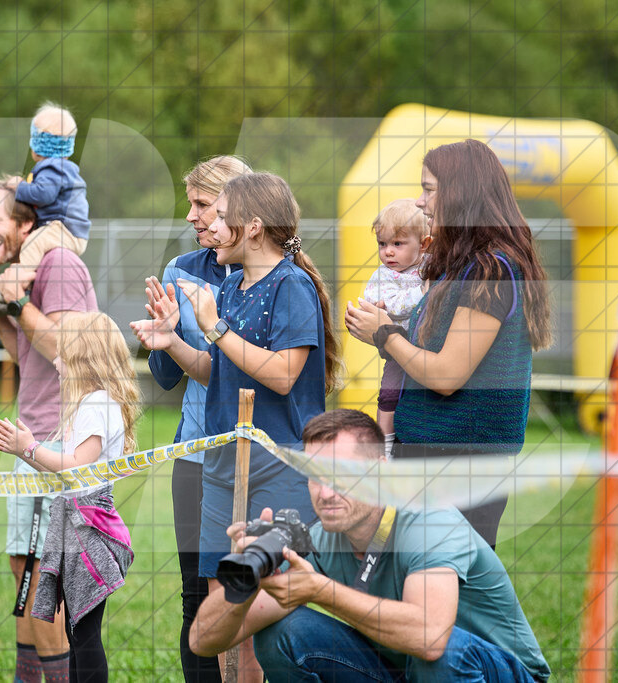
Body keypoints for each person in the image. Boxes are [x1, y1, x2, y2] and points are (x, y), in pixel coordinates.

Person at [133, 172, 341, 678]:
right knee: (222, 618)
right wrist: (174, 343)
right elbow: (218, 370)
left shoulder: (290, 285)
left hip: (278, 468)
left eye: (219, 216)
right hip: (222, 470)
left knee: (261, 618)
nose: (206, 225)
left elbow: (285, 375)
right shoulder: (230, 286)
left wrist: (214, 329)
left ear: (250, 228)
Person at [189, 409, 552, 682]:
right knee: (283, 634)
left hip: (501, 673)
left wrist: (320, 590)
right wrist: (244, 578)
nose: (326, 493)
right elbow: (203, 640)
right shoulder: (323, 538)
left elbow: (430, 637)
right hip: (410, 669)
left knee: (441, 653)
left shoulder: (430, 519)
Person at [346, 139, 553, 548]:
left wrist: (385, 334)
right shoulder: (460, 267)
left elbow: (446, 375)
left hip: (459, 464)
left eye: (429, 189)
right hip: (433, 457)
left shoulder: (490, 270)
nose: (421, 203)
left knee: (445, 597)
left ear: (460, 193)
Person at [0, 176, 99, 681]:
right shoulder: (26, 270)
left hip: (58, 439)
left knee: (42, 584)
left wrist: (19, 304)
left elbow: (66, 351)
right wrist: (8, 314)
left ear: (27, 223)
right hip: (32, 436)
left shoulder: (59, 264)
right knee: (24, 573)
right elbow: (29, 358)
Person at [131, 154, 250, 682]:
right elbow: (165, 377)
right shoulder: (181, 269)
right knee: (196, 598)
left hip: (254, 457)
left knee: (251, 597)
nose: (192, 216)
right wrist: (166, 332)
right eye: (191, 205)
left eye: (203, 205)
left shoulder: (270, 274)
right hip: (195, 457)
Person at [0, 311, 139, 683]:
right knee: (76, 630)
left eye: (63, 354)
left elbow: (77, 467)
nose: (56, 362)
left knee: (83, 635)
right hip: (78, 525)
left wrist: (29, 448)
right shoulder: (94, 403)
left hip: (90, 530)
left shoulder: (97, 403)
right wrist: (23, 451)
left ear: (85, 359)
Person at [0, 102, 90, 315]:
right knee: (35, 249)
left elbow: (43, 195)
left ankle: (15, 288)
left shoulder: (52, 167)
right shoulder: (58, 168)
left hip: (64, 228)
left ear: (36, 145)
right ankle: (25, 287)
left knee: (32, 244)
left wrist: (19, 187)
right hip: (63, 228)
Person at [361, 199, 431, 441]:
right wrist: (424, 293)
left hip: (428, 348)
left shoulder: (430, 265)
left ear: (423, 244)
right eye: (382, 244)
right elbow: (394, 305)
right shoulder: (383, 276)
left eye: (397, 243)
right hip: (398, 350)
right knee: (389, 393)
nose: (388, 251)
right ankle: (386, 441)